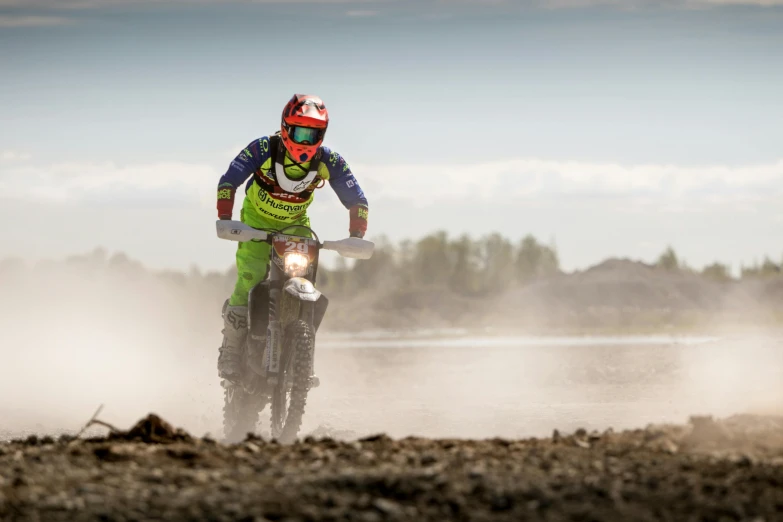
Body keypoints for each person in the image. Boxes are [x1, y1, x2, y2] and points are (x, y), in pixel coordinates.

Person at [215, 94, 369, 382]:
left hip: (296, 228)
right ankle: (231, 350)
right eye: (300, 131)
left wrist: (356, 234)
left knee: (305, 282)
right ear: (286, 127)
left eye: (314, 133)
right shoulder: (263, 148)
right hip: (255, 224)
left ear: (322, 135)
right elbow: (229, 180)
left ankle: (301, 357)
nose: (306, 140)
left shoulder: (329, 161)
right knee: (249, 277)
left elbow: (357, 199)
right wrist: (225, 217)